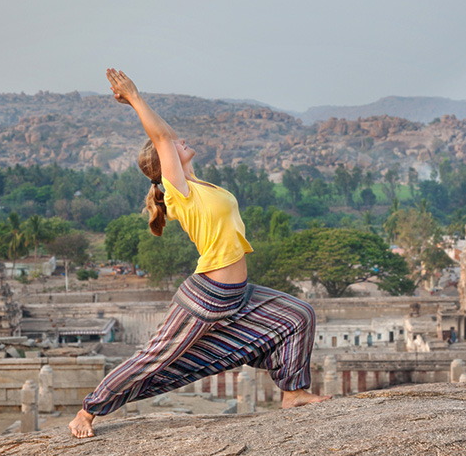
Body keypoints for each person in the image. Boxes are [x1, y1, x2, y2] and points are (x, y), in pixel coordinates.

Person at [69, 69, 329, 438]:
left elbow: (167, 136)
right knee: (156, 358)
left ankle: (293, 393)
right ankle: (87, 411)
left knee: (298, 315)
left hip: (238, 293)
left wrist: (148, 112)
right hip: (209, 295)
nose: (180, 139)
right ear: (165, 163)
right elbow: (161, 137)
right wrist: (135, 97)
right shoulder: (178, 192)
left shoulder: (196, 184)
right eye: (172, 145)